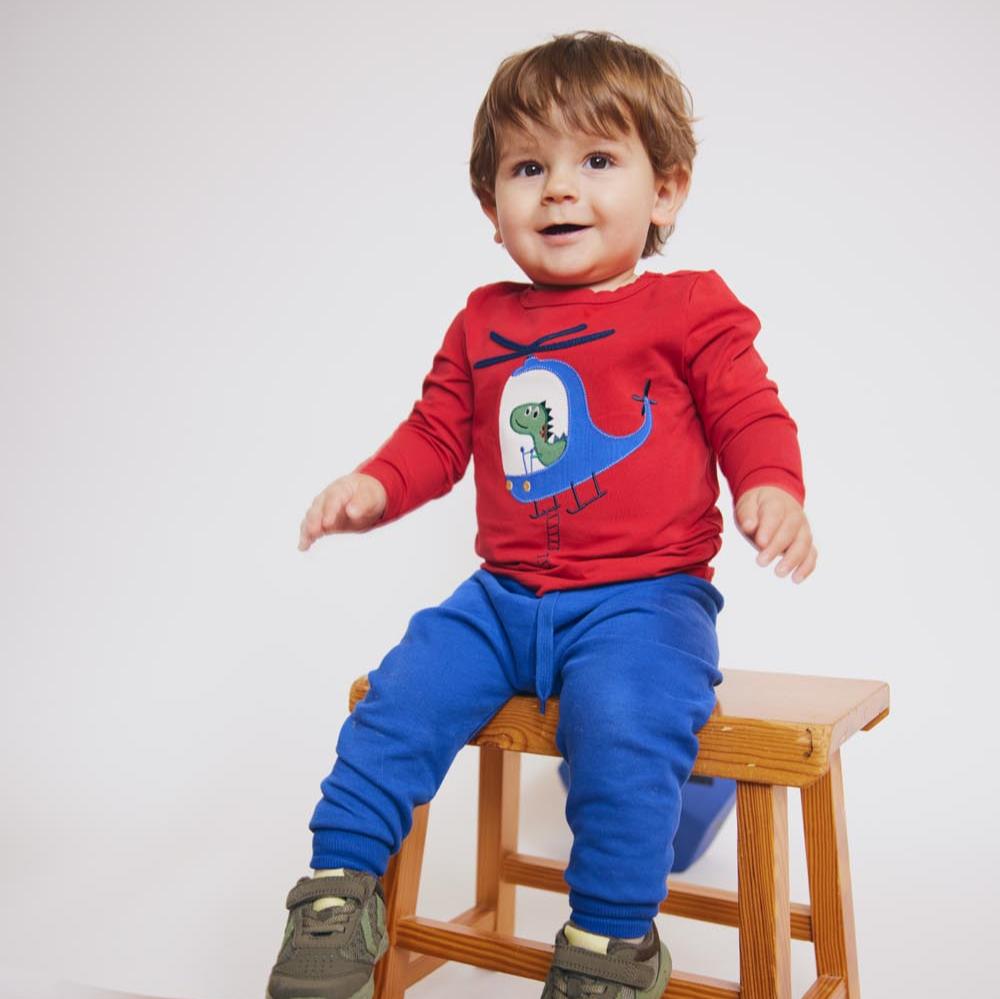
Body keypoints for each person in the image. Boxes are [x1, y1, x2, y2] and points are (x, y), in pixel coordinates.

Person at [266, 29, 816, 999]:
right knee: (399, 695)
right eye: (529, 168)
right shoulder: (483, 321)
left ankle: (609, 941)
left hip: (645, 600)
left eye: (597, 160)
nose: (559, 189)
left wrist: (770, 484)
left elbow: (749, 411)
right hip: (504, 598)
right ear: (492, 208)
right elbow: (436, 434)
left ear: (666, 191)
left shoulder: (689, 307)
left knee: (625, 721)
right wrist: (375, 486)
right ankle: (337, 887)